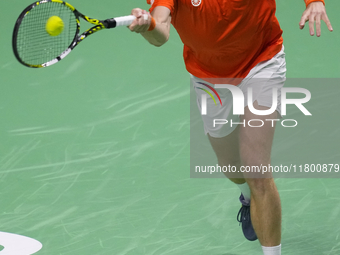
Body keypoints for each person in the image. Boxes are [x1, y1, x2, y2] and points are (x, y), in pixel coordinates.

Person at [129, 1, 333, 255]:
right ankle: (246, 196)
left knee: (256, 169)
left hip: (262, 60)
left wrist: (314, 2)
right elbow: (161, 30)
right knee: (232, 167)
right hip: (209, 76)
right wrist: (149, 25)